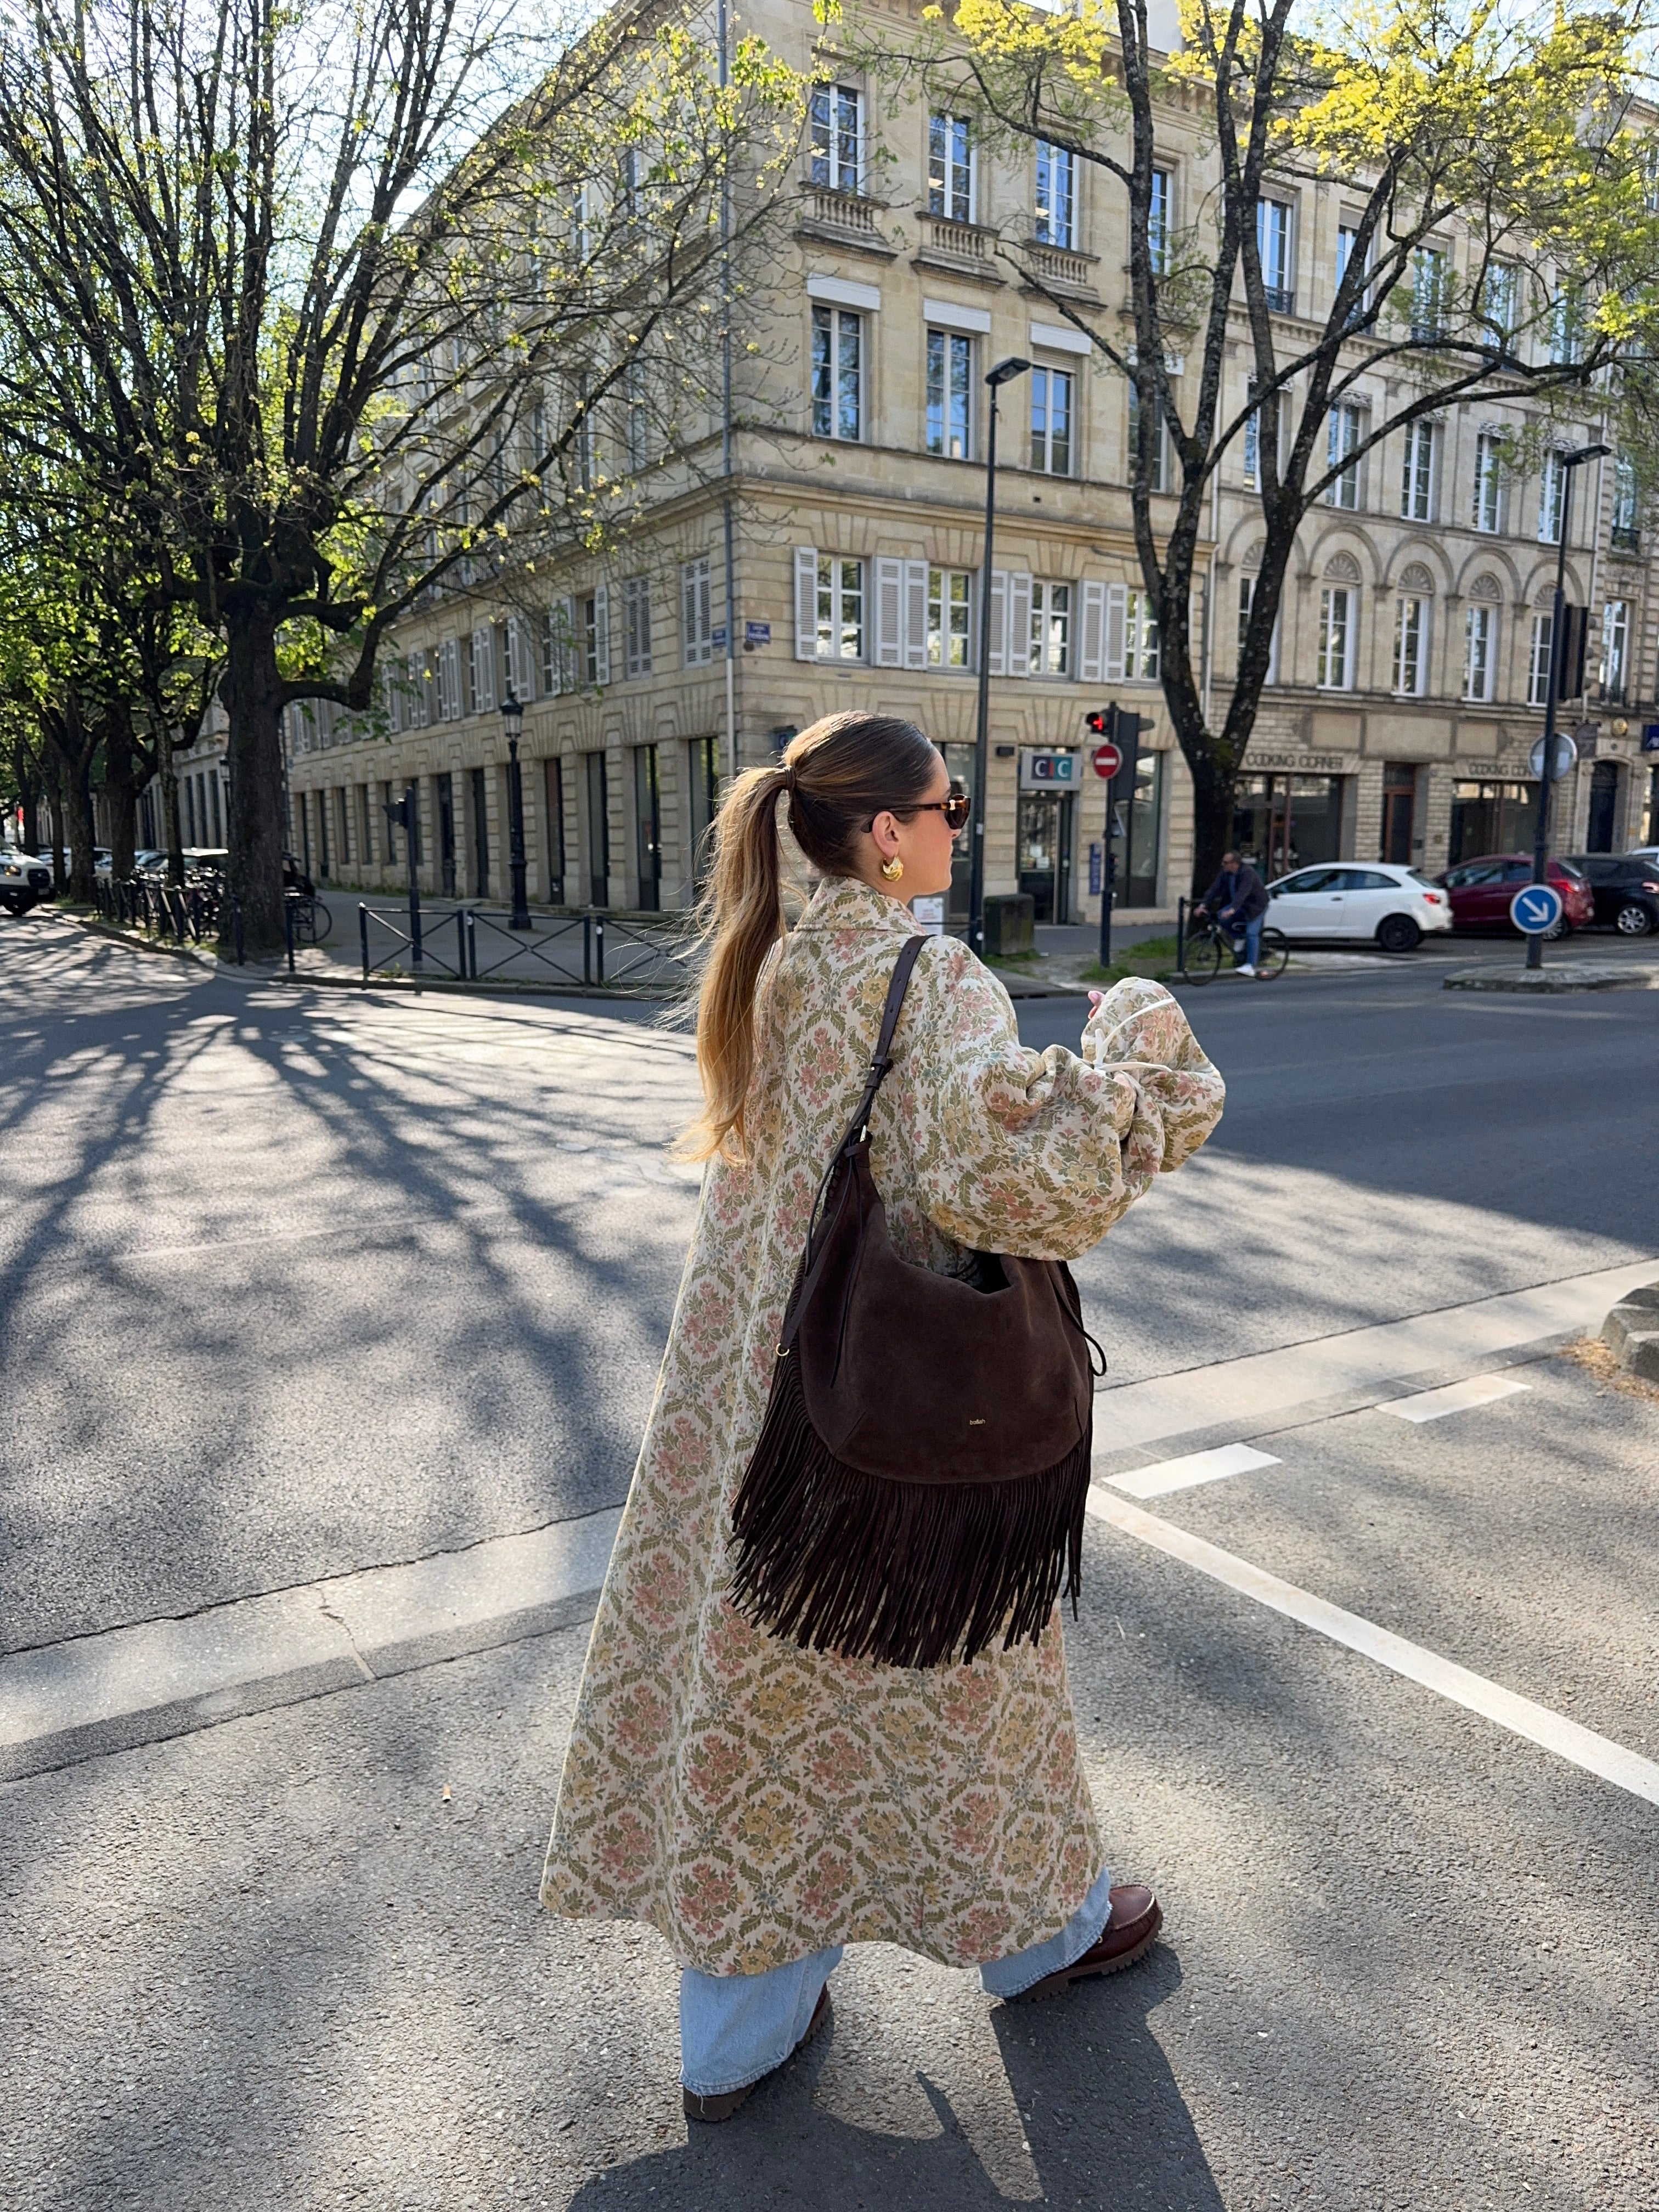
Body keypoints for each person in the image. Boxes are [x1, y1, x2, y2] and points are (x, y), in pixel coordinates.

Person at [541, 711, 1226, 2121]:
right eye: (950, 806)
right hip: (883, 1411)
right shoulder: (934, 978)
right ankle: (1047, 1928)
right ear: (885, 832)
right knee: (963, 1671)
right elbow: (1017, 1190)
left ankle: (731, 2040)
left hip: (747, 1404)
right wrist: (1140, 1055)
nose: (961, 828)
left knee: (751, 1695)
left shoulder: (779, 959)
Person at [1196, 850, 1269, 975]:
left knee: (1252, 933)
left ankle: (1250, 966)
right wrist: (1203, 905)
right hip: (1240, 904)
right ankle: (1239, 937)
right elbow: (1215, 888)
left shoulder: (1248, 873)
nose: (1223, 865)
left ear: (1234, 863)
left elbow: (1243, 893)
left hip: (1255, 906)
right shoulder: (1226, 873)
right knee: (1220, 917)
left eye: (1225, 862)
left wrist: (1233, 909)